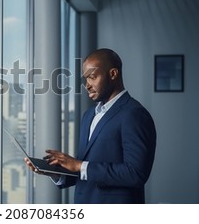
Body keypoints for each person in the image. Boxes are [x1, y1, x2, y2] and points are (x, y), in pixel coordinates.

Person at [25, 48, 156, 204]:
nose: (87, 85)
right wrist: (55, 173)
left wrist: (79, 165)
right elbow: (87, 171)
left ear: (113, 74)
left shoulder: (134, 114)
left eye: (92, 77)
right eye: (85, 79)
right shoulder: (88, 116)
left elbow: (135, 174)